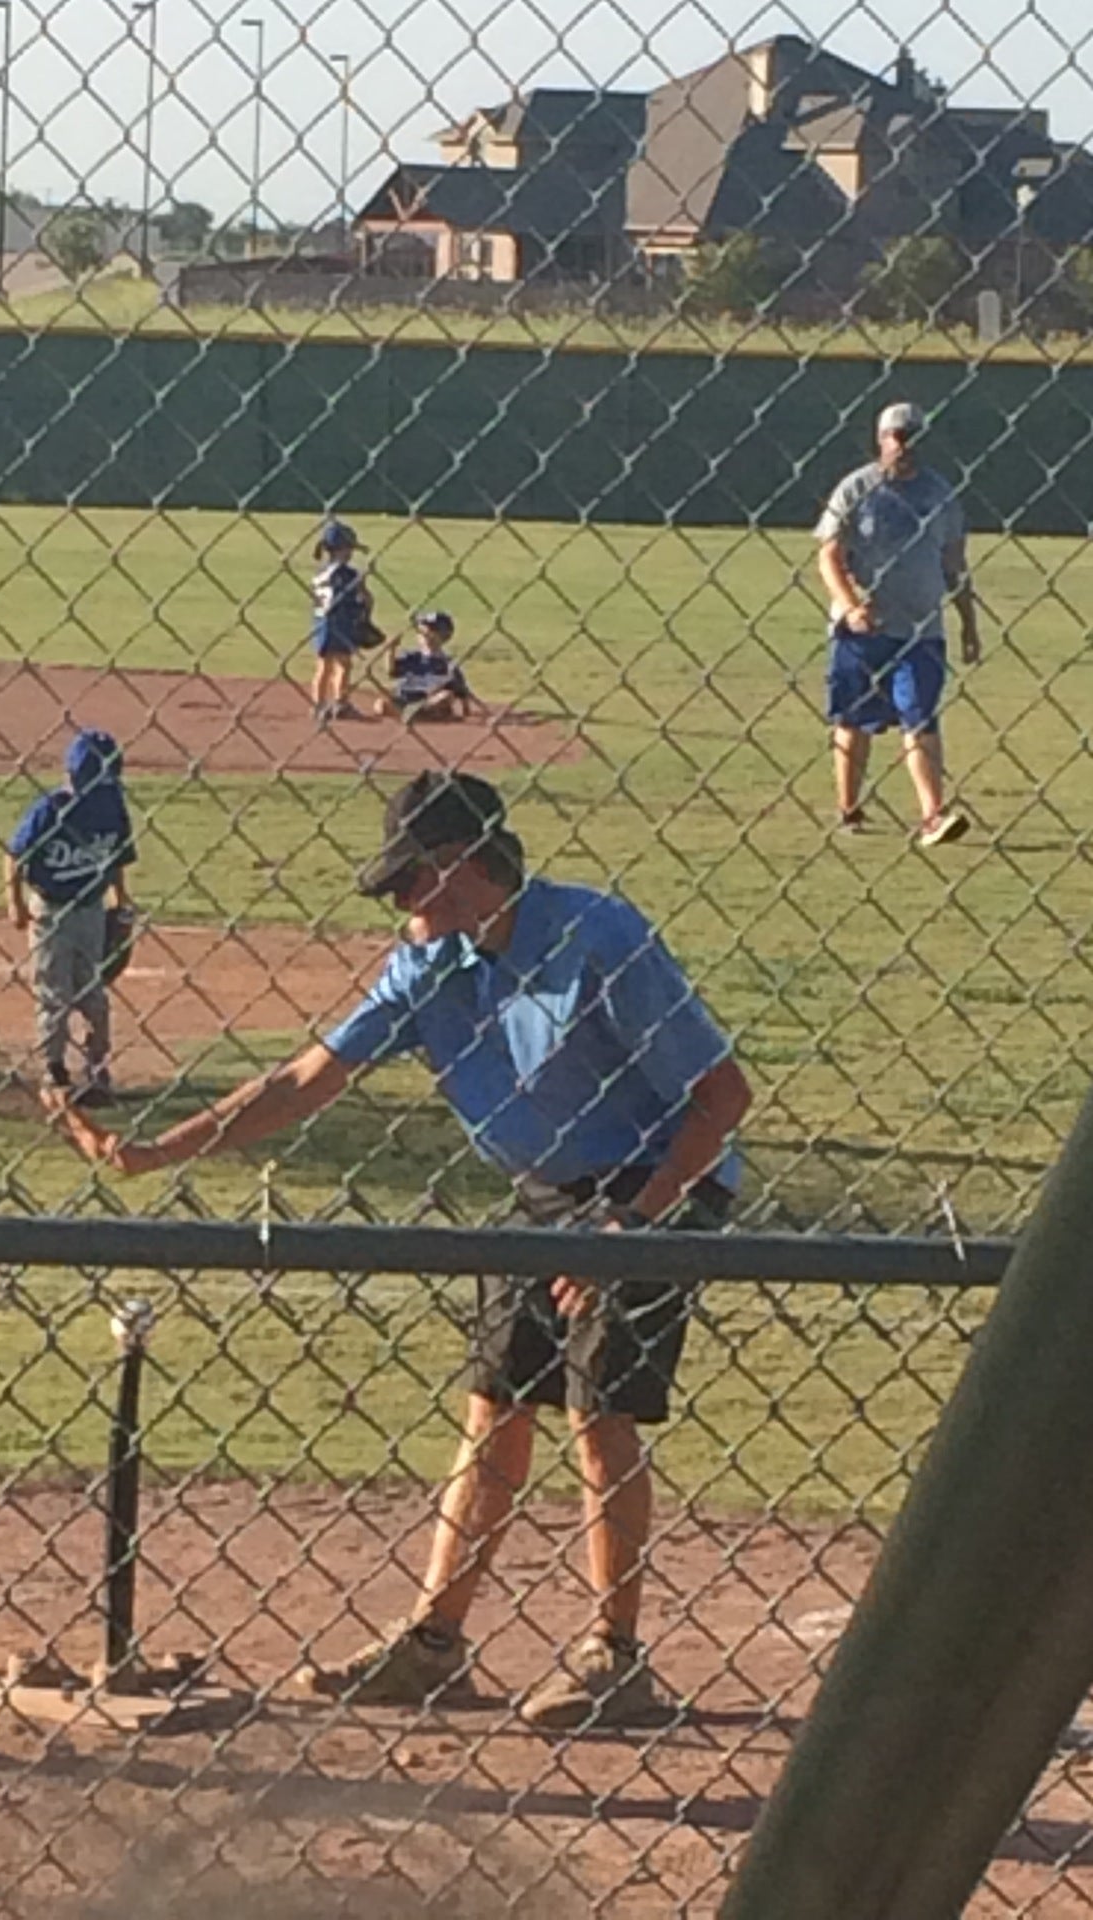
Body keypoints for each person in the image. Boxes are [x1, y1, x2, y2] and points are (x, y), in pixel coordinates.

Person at [42, 771, 750, 1730]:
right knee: (495, 1402)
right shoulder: (430, 965)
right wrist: (158, 1150)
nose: (400, 903)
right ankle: (434, 1645)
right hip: (547, 1191)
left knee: (599, 1411)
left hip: (656, 1181)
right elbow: (308, 1078)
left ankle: (614, 1657)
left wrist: (631, 1229)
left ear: (465, 863)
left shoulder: (598, 938)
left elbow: (721, 1099)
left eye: (411, 880)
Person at [816, 401, 981, 847]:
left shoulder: (939, 494)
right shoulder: (856, 489)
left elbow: (954, 563)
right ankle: (849, 807)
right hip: (861, 632)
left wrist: (968, 622)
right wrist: (850, 606)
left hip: (922, 630)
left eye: (913, 436)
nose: (904, 445)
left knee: (920, 717)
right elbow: (828, 556)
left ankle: (933, 816)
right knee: (852, 720)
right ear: (881, 439)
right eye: (897, 436)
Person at [5, 728, 137, 1106]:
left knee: (93, 992)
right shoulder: (51, 809)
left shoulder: (111, 806)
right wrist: (14, 902)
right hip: (50, 911)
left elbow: (117, 858)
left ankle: (97, 1066)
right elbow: (15, 854)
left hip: (91, 910)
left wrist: (121, 899)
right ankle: (55, 1067)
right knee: (53, 990)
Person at [310, 519, 375, 724]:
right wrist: (365, 611)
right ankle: (340, 703)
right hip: (340, 623)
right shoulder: (348, 574)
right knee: (343, 664)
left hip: (321, 624)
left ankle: (318, 704)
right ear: (341, 549)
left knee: (323, 666)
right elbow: (363, 598)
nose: (351, 553)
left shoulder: (320, 573)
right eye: (349, 549)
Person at [374, 611, 473, 724]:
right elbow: (391, 671)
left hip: (429, 701)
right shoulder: (412, 657)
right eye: (421, 632)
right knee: (380, 705)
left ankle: (421, 713)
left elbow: (461, 691)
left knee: (445, 696)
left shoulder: (448, 664)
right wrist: (390, 649)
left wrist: (466, 709)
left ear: (443, 635)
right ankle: (416, 715)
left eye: (430, 631)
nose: (424, 635)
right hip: (406, 700)